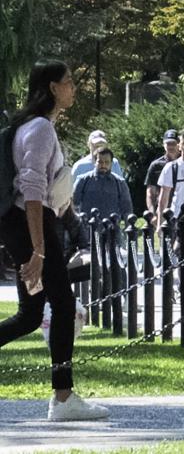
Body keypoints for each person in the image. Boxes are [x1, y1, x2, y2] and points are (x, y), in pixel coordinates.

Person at [0, 60, 109, 421]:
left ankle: (63, 397)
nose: (73, 88)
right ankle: (63, 398)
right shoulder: (40, 129)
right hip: (31, 222)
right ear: (51, 88)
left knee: (32, 314)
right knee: (62, 305)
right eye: (68, 82)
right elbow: (31, 192)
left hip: (27, 223)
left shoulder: (33, 127)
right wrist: (39, 250)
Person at [72, 147, 132, 225]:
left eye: (107, 162)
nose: (103, 165)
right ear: (94, 162)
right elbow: (73, 205)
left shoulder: (120, 183)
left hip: (112, 230)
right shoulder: (83, 180)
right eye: (100, 162)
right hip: (87, 228)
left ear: (111, 163)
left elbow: (127, 210)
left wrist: (129, 231)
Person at [155, 128, 184, 223]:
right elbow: (163, 198)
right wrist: (160, 223)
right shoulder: (170, 167)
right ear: (179, 146)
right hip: (175, 217)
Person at [145, 129, 180, 215]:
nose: (171, 147)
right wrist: (152, 214)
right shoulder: (156, 165)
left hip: (181, 210)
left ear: (179, 144)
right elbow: (150, 193)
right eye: (168, 144)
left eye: (173, 143)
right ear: (163, 145)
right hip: (162, 211)